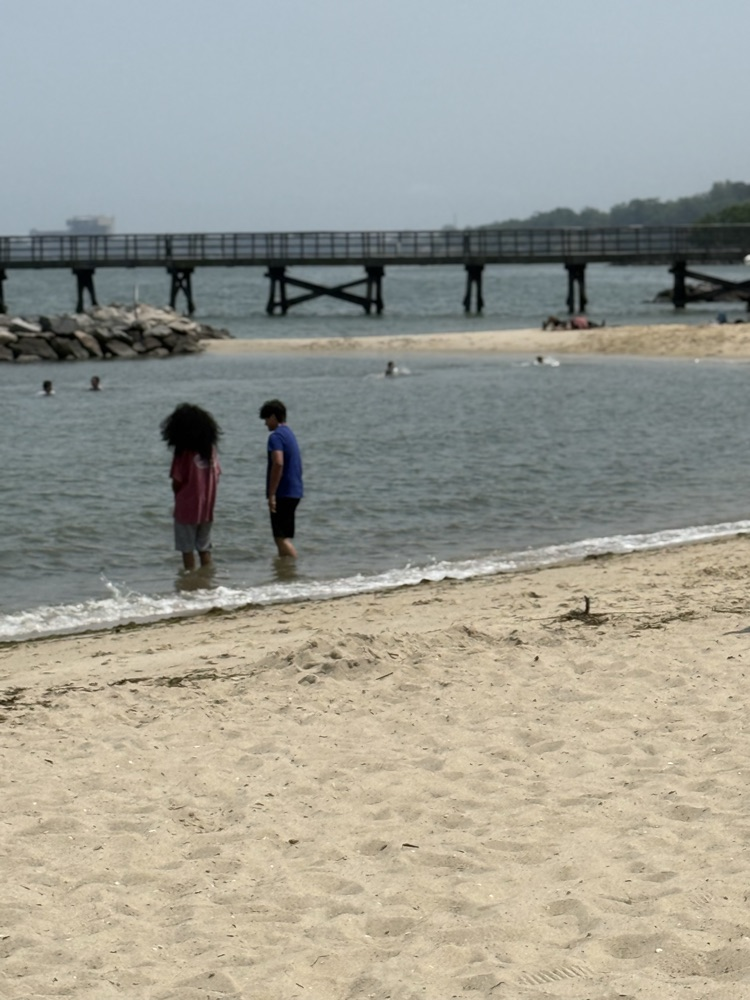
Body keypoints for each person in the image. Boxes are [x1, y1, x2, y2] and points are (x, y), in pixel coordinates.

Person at [160, 403, 222, 571]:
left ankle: (191, 582)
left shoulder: (183, 453)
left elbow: (177, 481)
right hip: (207, 508)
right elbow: (217, 475)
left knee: (187, 549)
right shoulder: (210, 451)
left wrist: (177, 499)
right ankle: (207, 580)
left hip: (186, 507)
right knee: (204, 547)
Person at [259, 398, 303, 559]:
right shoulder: (289, 434)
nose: (265, 424)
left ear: (273, 417)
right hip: (295, 491)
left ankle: (294, 572)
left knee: (280, 539)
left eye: (266, 419)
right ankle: (286, 576)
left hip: (282, 493)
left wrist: (271, 494)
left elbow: (278, 462)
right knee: (284, 537)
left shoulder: (275, 437)